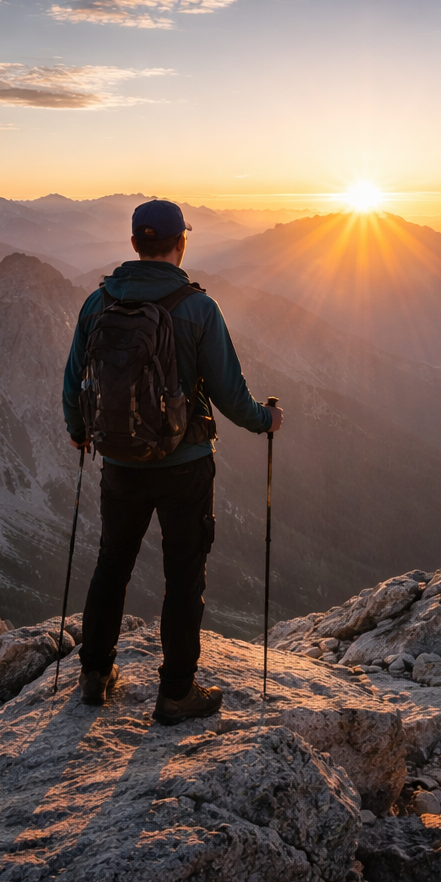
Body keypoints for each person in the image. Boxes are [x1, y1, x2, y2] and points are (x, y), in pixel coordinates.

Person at [62, 199, 282, 723]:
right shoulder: (197, 307)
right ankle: (177, 692)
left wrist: (79, 434)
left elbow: (75, 383)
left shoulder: (98, 302)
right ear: (181, 243)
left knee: (111, 564)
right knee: (184, 576)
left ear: (135, 244)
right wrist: (263, 420)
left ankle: (95, 672)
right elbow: (230, 392)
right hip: (185, 463)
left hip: (118, 460)